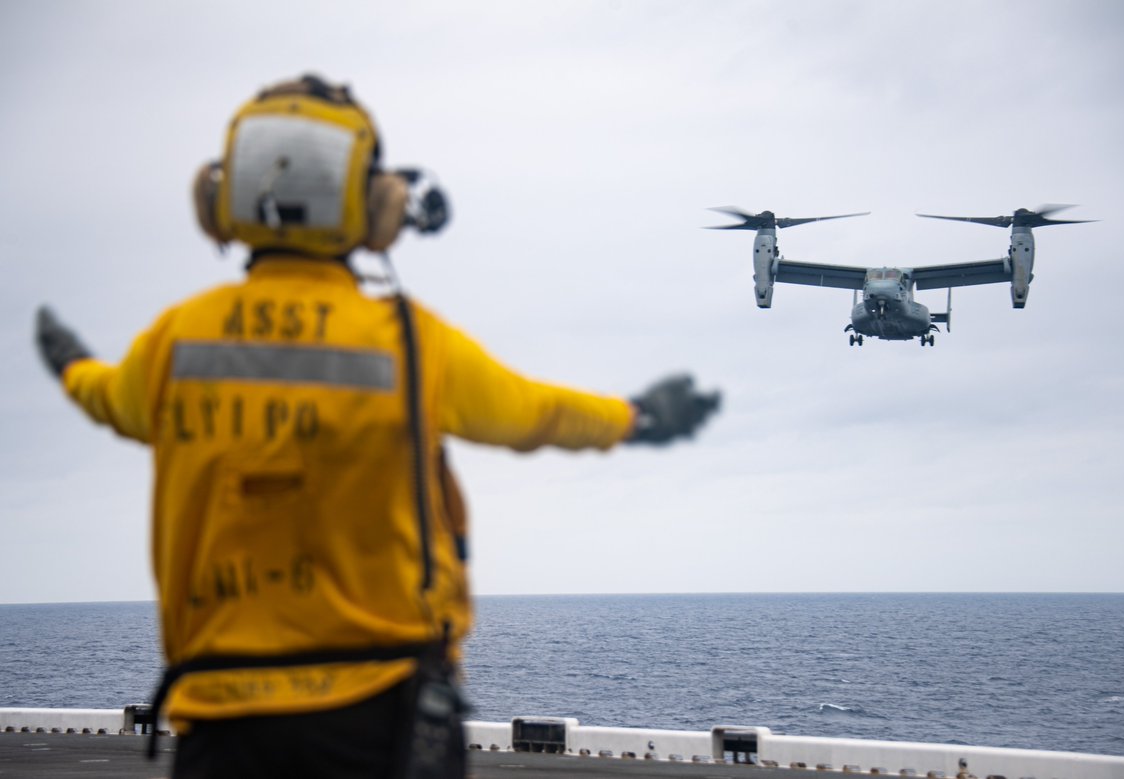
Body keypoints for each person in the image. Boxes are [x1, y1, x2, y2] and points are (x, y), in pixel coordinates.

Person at [34, 74, 719, 779]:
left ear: (218, 199)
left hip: (223, 723)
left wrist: (68, 362)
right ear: (376, 204)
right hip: (384, 720)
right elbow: (534, 412)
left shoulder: (176, 344)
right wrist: (637, 418)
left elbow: (107, 397)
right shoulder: (409, 344)